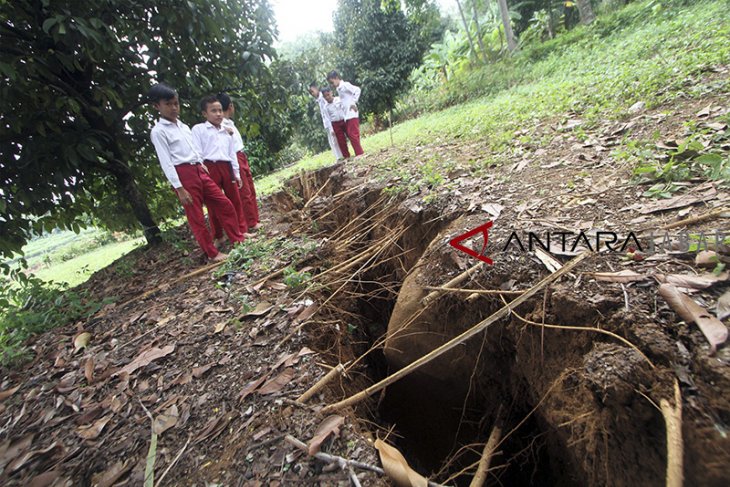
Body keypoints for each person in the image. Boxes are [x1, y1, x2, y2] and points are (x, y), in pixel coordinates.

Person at [148, 84, 243, 261]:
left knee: (224, 204)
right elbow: (166, 162)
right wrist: (179, 188)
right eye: (168, 104)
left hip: (199, 170)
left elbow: (193, 147)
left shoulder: (183, 127)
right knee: (197, 217)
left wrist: (200, 162)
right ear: (156, 106)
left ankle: (237, 238)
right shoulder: (159, 132)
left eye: (176, 103)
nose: (174, 108)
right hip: (183, 174)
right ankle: (212, 253)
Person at [191, 96, 251, 244]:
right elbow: (196, 150)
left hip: (226, 166)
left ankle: (241, 231)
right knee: (214, 203)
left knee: (235, 198)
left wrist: (236, 173)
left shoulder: (227, 131)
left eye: (219, 110)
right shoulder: (199, 130)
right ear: (205, 114)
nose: (218, 114)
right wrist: (200, 164)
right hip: (209, 167)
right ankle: (218, 235)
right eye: (213, 111)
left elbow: (232, 153)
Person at [217, 92, 260, 231]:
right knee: (244, 192)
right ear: (230, 106)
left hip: (241, 155)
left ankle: (255, 219)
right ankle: (251, 222)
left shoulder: (229, 123)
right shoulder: (222, 126)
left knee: (250, 189)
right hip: (234, 157)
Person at [327, 71, 363, 156]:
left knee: (352, 134)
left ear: (336, 78)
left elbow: (357, 90)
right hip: (346, 114)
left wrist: (354, 102)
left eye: (332, 82)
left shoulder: (345, 85)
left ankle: (360, 153)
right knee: (352, 134)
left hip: (351, 113)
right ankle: (359, 153)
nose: (332, 85)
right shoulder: (339, 88)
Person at [308, 83, 343, 162]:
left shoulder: (323, 97)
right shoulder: (319, 99)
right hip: (327, 123)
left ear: (316, 88)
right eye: (311, 93)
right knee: (332, 141)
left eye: (312, 91)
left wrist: (331, 126)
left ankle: (340, 156)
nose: (312, 94)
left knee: (335, 140)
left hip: (332, 122)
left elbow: (328, 112)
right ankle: (338, 157)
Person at [320, 87, 350, 159]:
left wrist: (348, 118)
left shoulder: (338, 99)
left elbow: (345, 108)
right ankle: (346, 156)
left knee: (351, 135)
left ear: (331, 93)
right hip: (335, 124)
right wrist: (331, 130)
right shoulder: (325, 107)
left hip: (344, 120)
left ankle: (358, 151)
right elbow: (328, 119)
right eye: (325, 96)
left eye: (328, 95)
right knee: (341, 141)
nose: (327, 97)